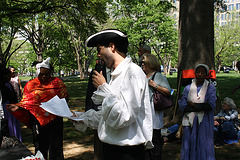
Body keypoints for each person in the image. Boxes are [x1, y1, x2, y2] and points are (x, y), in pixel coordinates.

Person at [72, 29, 153, 160]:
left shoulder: (133, 72)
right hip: (111, 148)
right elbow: (108, 116)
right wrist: (83, 118)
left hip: (127, 151)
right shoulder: (115, 75)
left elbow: (124, 116)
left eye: (99, 49)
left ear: (112, 47)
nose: (98, 55)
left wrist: (103, 88)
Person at [7, 57, 69, 160]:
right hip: (37, 121)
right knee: (40, 148)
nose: (44, 77)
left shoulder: (57, 83)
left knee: (56, 149)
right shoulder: (30, 85)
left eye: (47, 74)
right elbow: (27, 102)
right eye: (41, 74)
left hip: (55, 120)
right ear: (37, 73)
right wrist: (18, 107)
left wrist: (58, 106)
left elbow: (65, 98)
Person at [178, 64, 216, 160]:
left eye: (202, 73)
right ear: (194, 73)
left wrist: (194, 105)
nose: (200, 74)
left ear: (206, 74)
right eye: (198, 72)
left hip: (203, 121)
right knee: (189, 143)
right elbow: (182, 105)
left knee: (203, 143)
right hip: (189, 121)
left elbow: (210, 105)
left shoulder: (210, 88)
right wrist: (197, 107)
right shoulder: (188, 88)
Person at [141, 53, 171, 160]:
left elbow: (168, 91)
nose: (142, 64)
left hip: (153, 113)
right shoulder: (143, 76)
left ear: (151, 63)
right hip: (143, 112)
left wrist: (155, 86)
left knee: (155, 138)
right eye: (142, 62)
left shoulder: (158, 76)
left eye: (144, 62)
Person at [0, 68, 22, 141]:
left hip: (10, 106)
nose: (9, 77)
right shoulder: (5, 85)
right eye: (7, 76)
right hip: (7, 107)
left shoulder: (7, 84)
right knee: (9, 124)